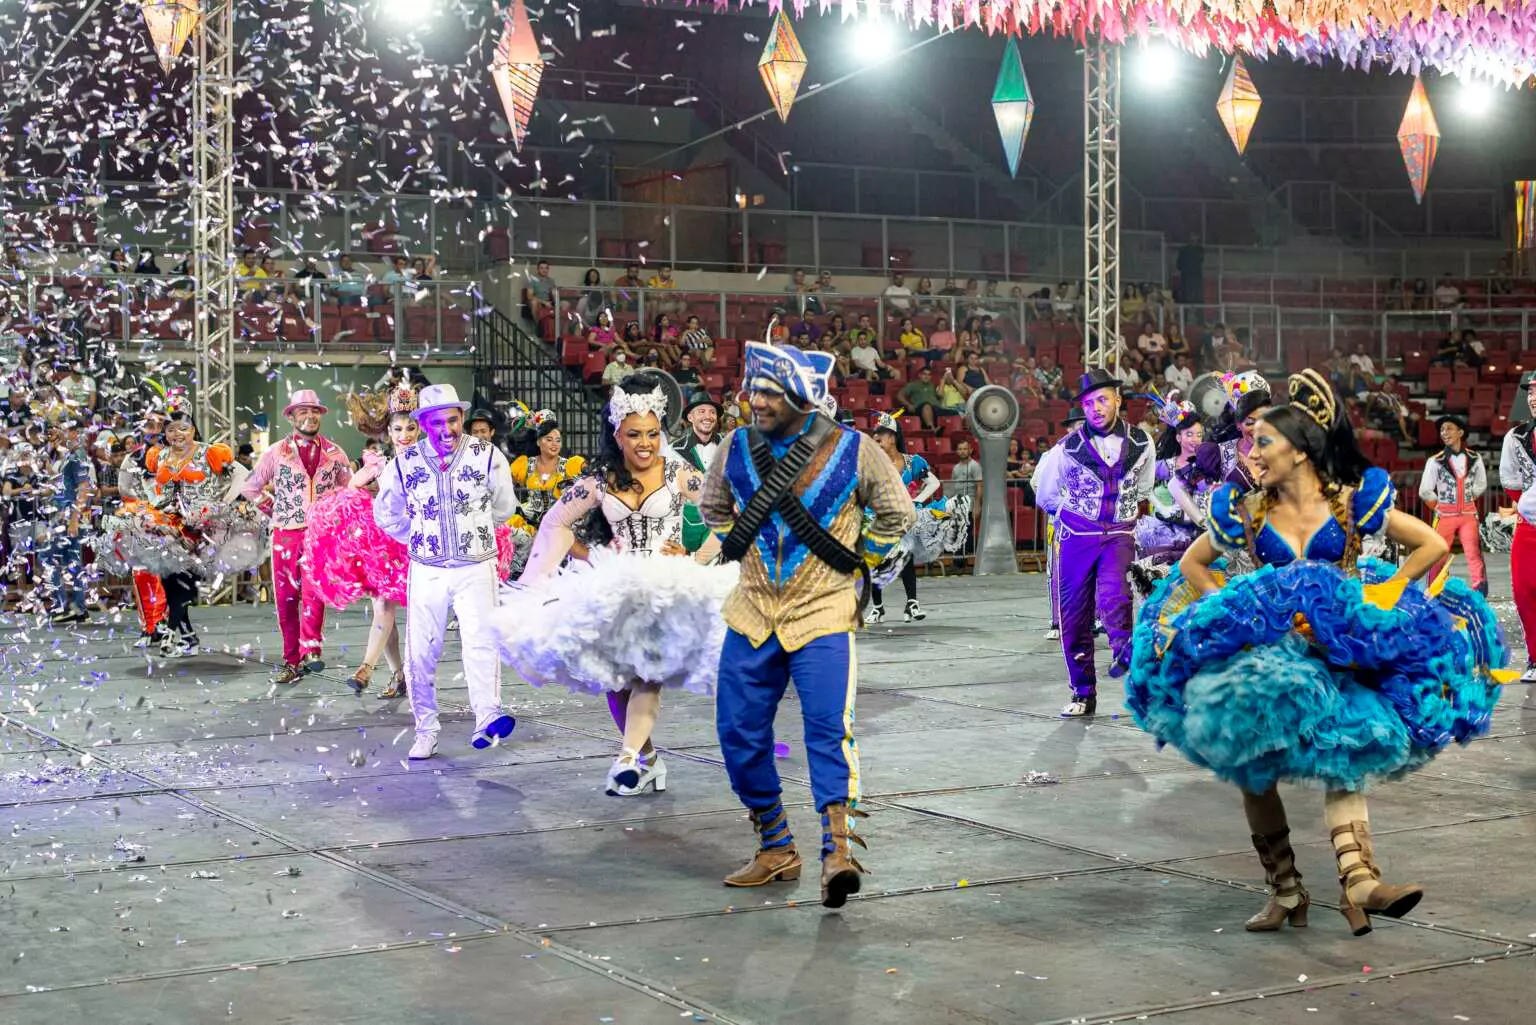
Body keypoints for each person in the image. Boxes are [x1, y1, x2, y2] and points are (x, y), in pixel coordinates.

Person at [1127, 369, 1508, 936]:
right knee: (1255, 771)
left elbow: (1430, 544)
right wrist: (1238, 606)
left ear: (1300, 451)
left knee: (1345, 749)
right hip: (1274, 656)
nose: (1252, 453)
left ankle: (1360, 883)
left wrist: (1385, 592)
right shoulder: (1247, 511)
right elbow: (1192, 565)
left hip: (1343, 648)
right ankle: (1285, 891)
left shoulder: (1354, 502)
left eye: (1264, 442)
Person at [699, 340, 916, 908]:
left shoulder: (855, 449)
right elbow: (713, 508)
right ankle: (775, 845)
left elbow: (898, 513)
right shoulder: (734, 447)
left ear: (801, 396)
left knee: (827, 730)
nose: (756, 401)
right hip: (750, 613)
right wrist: (740, 549)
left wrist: (854, 558)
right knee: (737, 733)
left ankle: (837, 852)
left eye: (770, 392)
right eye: (754, 389)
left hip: (823, 610)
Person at [496, 374, 734, 795]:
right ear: (617, 434)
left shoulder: (680, 472)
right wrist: (584, 557)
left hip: (666, 589)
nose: (645, 443)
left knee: (647, 674)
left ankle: (625, 758)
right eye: (634, 434)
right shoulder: (601, 479)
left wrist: (697, 558)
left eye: (653, 433)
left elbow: (727, 513)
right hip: (617, 587)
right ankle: (648, 760)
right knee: (617, 682)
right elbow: (556, 522)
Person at [374, 383, 520, 760]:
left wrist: (472, 529)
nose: (448, 429)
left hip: (476, 565)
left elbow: (504, 507)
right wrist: (422, 536)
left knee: (482, 641)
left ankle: (487, 718)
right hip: (427, 570)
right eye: (438, 421)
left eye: (453, 420)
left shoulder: (487, 456)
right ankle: (425, 729)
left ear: (461, 419)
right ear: (423, 423)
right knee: (420, 652)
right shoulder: (403, 464)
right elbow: (386, 514)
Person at [1032, 368, 1155, 717]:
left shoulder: (1143, 443)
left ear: (1118, 400)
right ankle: (1083, 693)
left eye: (1102, 399)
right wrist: (1075, 517)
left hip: (1118, 533)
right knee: (1074, 617)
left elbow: (1143, 487)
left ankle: (1124, 650)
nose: (1096, 408)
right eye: (1088, 403)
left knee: (1116, 594)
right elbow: (1046, 495)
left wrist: (1121, 513)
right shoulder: (1065, 450)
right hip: (1076, 538)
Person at [305, 387, 419, 697]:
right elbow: (350, 489)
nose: (404, 434)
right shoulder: (382, 464)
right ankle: (387, 672)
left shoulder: (429, 461)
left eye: (411, 427)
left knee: (390, 610)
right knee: (384, 607)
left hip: (420, 545)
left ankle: (378, 670)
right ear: (388, 431)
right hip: (386, 546)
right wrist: (371, 481)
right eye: (398, 428)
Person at [241, 389, 354, 685]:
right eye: (303, 411)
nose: (309, 416)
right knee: (287, 599)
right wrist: (274, 509)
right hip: (286, 535)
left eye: (314, 411)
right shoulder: (277, 451)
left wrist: (336, 517)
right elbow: (250, 487)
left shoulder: (335, 452)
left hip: (321, 536)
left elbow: (349, 490)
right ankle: (291, 660)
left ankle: (311, 650)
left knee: (315, 593)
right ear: (291, 416)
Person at [141, 394, 244, 658]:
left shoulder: (210, 452)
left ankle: (172, 634)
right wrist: (154, 507)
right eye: (171, 429)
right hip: (168, 526)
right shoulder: (157, 455)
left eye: (183, 428)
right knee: (169, 581)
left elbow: (242, 478)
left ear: (194, 429)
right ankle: (187, 637)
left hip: (200, 530)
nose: (177, 434)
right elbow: (149, 485)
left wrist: (216, 507)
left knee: (183, 581)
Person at [866, 412, 970, 623]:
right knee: (876, 562)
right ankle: (877, 608)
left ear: (892, 438)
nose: (875, 442)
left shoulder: (912, 462)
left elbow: (934, 483)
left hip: (905, 521)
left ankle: (912, 603)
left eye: (879, 439)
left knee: (906, 559)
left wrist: (917, 501)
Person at [1130, 393, 1216, 595]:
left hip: (1199, 528)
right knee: (1164, 586)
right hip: (1168, 530)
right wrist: (1161, 506)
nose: (1195, 440)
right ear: (1178, 437)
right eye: (1189, 435)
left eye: (1199, 435)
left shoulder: (1208, 465)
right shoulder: (1166, 465)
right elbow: (1140, 481)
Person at [1419, 415, 1487, 597]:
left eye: (1449, 428)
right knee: (1439, 552)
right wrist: (1437, 506)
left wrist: (1468, 497)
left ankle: (1479, 589)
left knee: (1473, 551)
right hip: (1445, 515)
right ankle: (1435, 588)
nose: (1444, 433)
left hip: (1468, 513)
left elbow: (1481, 484)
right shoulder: (1435, 460)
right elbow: (1425, 490)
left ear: (1460, 432)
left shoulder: (1475, 458)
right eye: (1442, 430)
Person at [1501, 370, 1536, 682]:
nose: (1534, 397)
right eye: (1531, 392)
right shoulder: (1516, 437)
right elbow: (1511, 483)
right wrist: (1528, 503)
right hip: (1529, 526)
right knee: (1524, 591)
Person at [509, 411, 585, 534]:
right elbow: (503, 485)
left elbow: (593, 478)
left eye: (557, 440)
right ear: (538, 440)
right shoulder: (525, 464)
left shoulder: (570, 464)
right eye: (548, 438)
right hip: (532, 527)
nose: (554, 443)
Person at [1200, 371, 1273, 494]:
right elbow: (1179, 486)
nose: (1258, 428)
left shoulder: (1282, 449)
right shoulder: (1219, 454)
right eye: (1250, 422)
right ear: (1238, 425)